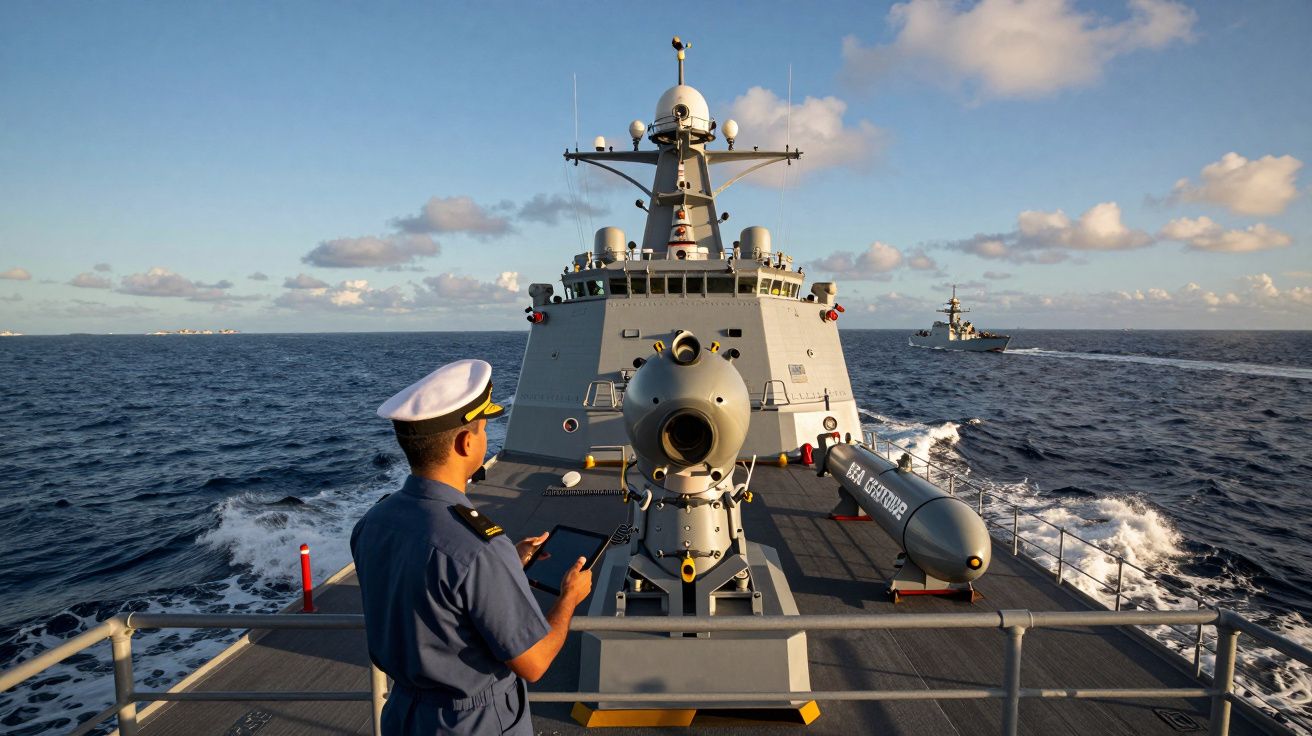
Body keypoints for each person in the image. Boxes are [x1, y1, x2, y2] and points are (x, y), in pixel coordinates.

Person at [351, 359, 592, 735]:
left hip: (401, 715)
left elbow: (430, 589)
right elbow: (535, 662)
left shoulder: (374, 521)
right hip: (471, 721)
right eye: (482, 431)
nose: (484, 440)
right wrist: (569, 598)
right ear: (466, 443)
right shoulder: (478, 546)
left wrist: (506, 563)